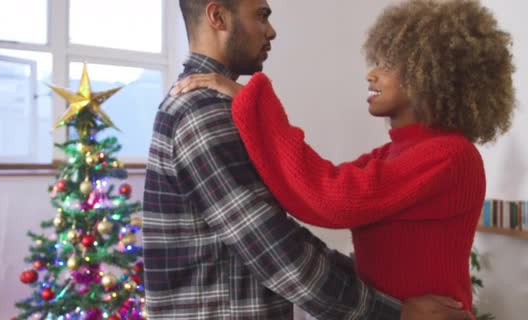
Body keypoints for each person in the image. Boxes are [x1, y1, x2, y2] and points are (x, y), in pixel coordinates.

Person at [170, 0, 516, 318]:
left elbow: (332, 199)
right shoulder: (392, 154)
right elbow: (316, 189)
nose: (372, 74)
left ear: (432, 75)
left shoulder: (450, 155)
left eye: (388, 64)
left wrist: (254, 101)